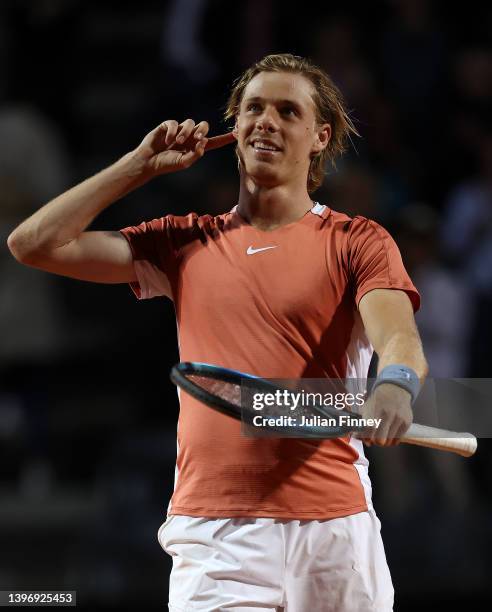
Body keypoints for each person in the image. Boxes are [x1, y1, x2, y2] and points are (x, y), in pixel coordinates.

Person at [8, 54, 427, 611]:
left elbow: (399, 339)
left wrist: (396, 384)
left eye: (287, 110)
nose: (266, 121)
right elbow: (32, 244)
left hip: (335, 529)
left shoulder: (358, 241)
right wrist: (138, 166)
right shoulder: (182, 242)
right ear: (234, 128)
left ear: (320, 136)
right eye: (253, 108)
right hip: (214, 535)